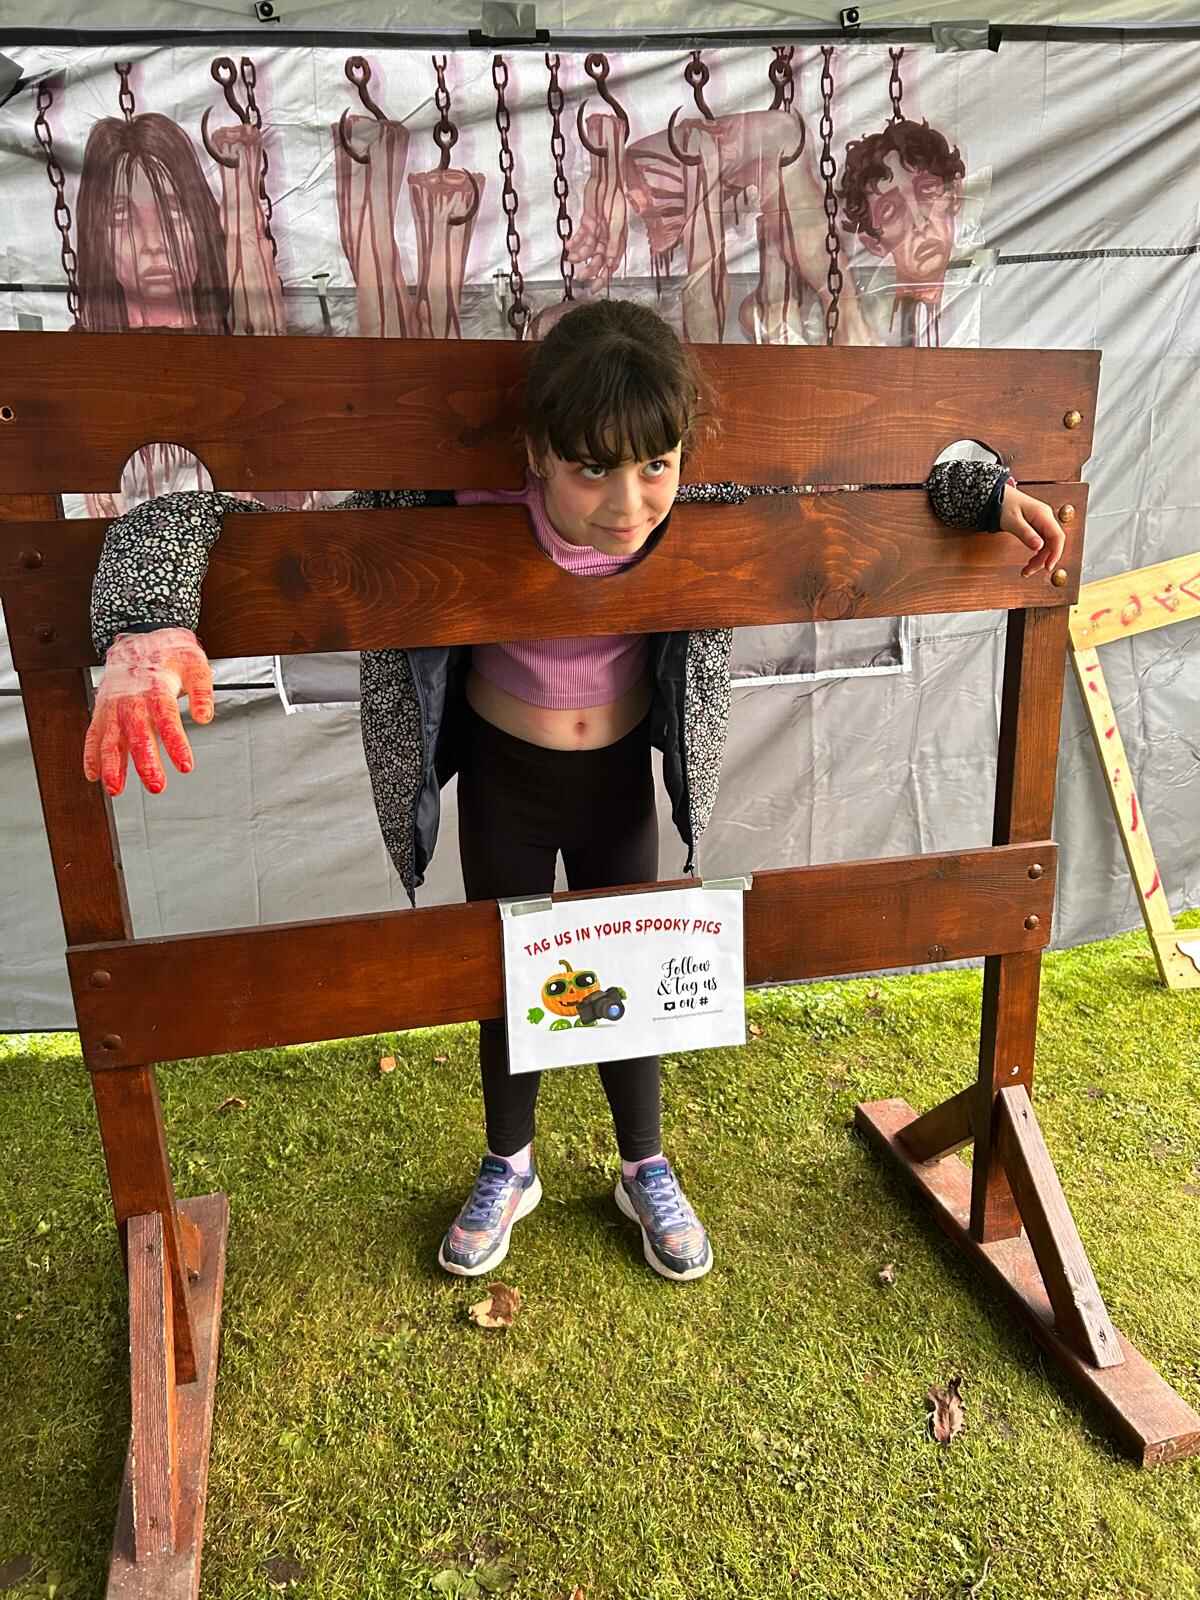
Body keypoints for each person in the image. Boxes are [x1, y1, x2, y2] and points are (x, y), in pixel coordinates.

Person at [82, 300, 1067, 1285]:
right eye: (591, 468)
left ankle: (644, 1163)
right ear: (535, 455)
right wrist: (146, 617)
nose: (629, 503)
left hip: (618, 780)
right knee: (507, 973)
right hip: (503, 780)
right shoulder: (451, 500)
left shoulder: (709, 499)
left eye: (655, 465)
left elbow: (868, 478)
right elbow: (207, 514)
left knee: (626, 968)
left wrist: (981, 490)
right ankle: (508, 1162)